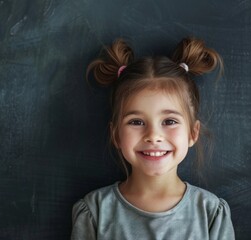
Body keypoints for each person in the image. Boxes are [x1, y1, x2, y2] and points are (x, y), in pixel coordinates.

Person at [71, 37, 235, 239]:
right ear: (116, 135)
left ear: (193, 133)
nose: (153, 136)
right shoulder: (95, 211)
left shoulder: (210, 213)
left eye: (169, 121)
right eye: (137, 122)